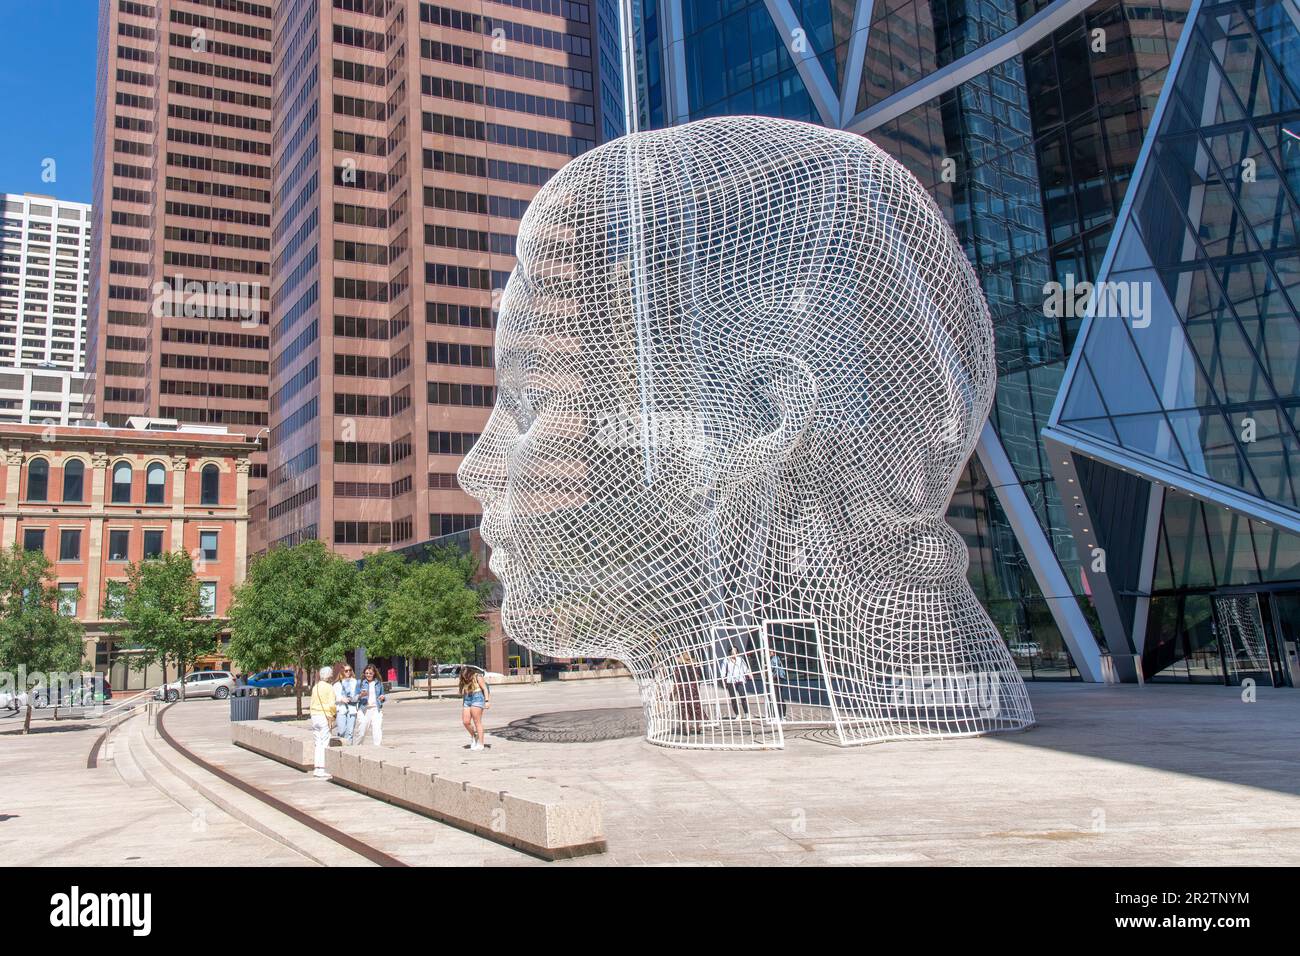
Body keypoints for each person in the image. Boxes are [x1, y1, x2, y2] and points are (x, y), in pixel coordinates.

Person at [308, 665, 337, 778]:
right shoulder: (329, 687)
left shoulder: (316, 687)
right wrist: (333, 715)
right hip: (324, 715)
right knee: (325, 742)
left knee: (317, 742)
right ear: (329, 675)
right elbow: (331, 704)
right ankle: (323, 768)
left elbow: (312, 702)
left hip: (315, 715)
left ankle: (317, 768)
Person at [459, 666, 490, 751]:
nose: (465, 677)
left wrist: (487, 701)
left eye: (466, 675)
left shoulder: (477, 676)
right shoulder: (463, 679)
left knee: (477, 722)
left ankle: (481, 744)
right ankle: (474, 736)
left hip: (477, 698)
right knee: (466, 722)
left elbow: (485, 688)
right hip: (467, 699)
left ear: (470, 673)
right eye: (463, 676)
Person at [672, 652, 704, 733]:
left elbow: (676, 681)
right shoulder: (694, 666)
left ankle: (687, 728)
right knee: (695, 708)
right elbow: (698, 677)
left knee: (684, 709)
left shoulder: (678, 668)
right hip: (693, 689)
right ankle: (697, 727)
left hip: (683, 689)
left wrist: (673, 693)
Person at [354, 664, 386, 745]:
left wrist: (382, 698)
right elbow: (354, 698)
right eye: (366, 673)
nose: (368, 675)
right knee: (361, 732)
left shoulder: (378, 683)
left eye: (370, 673)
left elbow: (382, 695)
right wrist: (361, 695)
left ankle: (377, 749)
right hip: (364, 710)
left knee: (377, 731)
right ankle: (357, 747)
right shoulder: (360, 682)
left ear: (374, 673)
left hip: (376, 709)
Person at [721, 645, 751, 718]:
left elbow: (745, 668)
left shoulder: (740, 659)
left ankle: (747, 713)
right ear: (730, 651)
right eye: (733, 650)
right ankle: (737, 714)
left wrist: (749, 674)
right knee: (733, 698)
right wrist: (723, 679)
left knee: (743, 697)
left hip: (740, 680)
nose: (734, 652)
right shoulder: (726, 660)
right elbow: (723, 671)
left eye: (735, 650)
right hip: (731, 681)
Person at [333, 664, 359, 744]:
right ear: (342, 672)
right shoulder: (337, 684)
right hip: (341, 709)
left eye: (350, 670)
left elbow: (358, 695)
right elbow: (333, 698)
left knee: (350, 732)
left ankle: (349, 749)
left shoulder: (355, 682)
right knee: (342, 731)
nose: (348, 672)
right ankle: (340, 747)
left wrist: (354, 698)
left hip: (352, 709)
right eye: (346, 671)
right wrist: (341, 699)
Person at [769, 653, 788, 718]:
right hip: (778, 678)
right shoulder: (774, 658)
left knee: (778, 696)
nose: (769, 653)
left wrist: (771, 675)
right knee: (778, 696)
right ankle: (781, 714)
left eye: (770, 652)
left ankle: (780, 715)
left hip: (777, 678)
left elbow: (774, 668)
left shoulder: (775, 658)